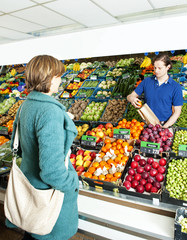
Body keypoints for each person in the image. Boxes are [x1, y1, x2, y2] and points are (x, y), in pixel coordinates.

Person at [6, 55, 79, 240]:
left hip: (29, 188)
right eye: (58, 76)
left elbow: (18, 147)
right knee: (45, 234)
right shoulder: (50, 111)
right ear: (49, 78)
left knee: (32, 233)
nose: (61, 80)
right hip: (49, 198)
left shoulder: (26, 106)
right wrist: (72, 183)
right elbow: (52, 172)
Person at [127, 54, 183, 128]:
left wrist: (164, 127)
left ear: (168, 67)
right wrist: (132, 98)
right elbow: (130, 96)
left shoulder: (176, 87)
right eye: (155, 67)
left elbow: (177, 111)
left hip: (165, 124)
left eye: (160, 68)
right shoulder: (146, 81)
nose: (156, 71)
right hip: (147, 124)